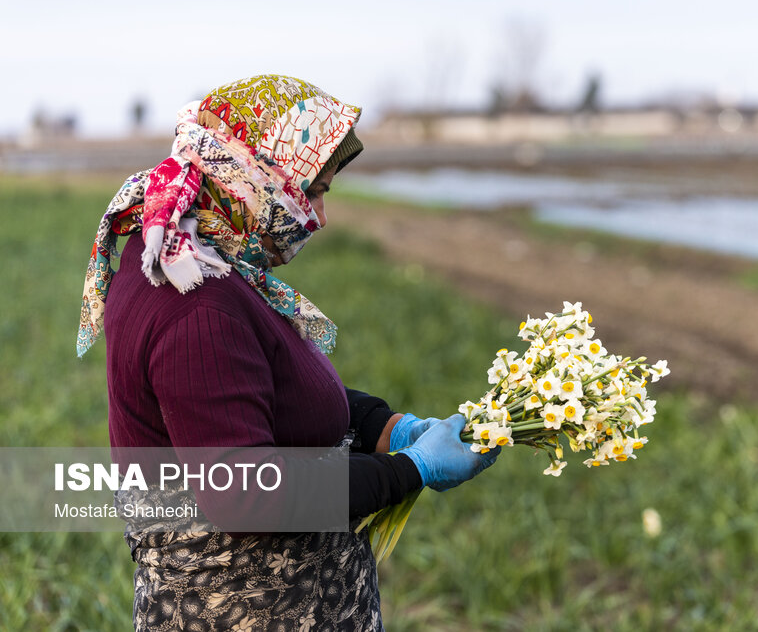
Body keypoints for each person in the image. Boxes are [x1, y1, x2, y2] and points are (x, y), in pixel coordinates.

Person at [77, 74, 499, 631]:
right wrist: (409, 470)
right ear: (255, 176)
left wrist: (387, 428)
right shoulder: (198, 303)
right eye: (314, 191)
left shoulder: (199, 253)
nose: (319, 217)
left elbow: (260, 390)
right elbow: (249, 497)